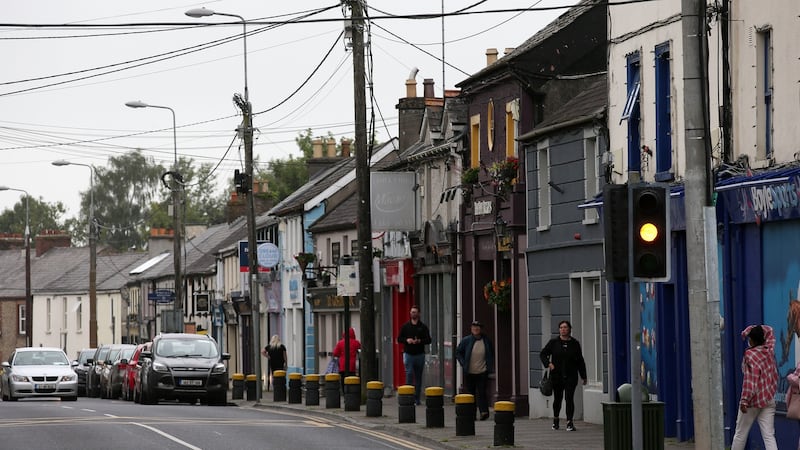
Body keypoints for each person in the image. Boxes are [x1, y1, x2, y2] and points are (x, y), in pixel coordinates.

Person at [731, 324, 778, 450]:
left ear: (752, 340)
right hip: (768, 398)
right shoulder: (769, 349)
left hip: (752, 402)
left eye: (749, 338)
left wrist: (744, 400)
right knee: (769, 435)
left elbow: (750, 381)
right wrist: (747, 332)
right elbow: (769, 329)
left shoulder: (750, 355)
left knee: (740, 434)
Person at [540, 320, 587, 431]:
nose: (563, 329)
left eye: (565, 327)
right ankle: (556, 420)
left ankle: (569, 422)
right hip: (557, 375)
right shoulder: (554, 342)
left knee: (569, 398)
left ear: (570, 329)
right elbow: (543, 354)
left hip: (571, 375)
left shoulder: (575, 344)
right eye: (561, 327)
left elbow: (580, 360)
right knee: (558, 398)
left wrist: (583, 376)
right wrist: (549, 364)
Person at [456, 320, 494, 420]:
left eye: (477, 328)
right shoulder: (466, 340)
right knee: (471, 393)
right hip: (470, 372)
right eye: (474, 328)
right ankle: (472, 414)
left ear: (480, 329)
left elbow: (491, 353)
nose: (476, 330)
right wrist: (463, 363)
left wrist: (490, 366)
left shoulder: (486, 341)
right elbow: (458, 352)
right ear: (471, 329)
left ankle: (484, 412)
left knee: (482, 392)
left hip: (482, 371)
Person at [397, 305, 432, 405]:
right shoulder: (405, 326)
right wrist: (407, 340)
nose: (413, 314)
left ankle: (417, 398)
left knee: (418, 377)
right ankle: (409, 396)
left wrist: (419, 341)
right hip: (408, 354)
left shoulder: (423, 327)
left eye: (415, 312)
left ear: (419, 314)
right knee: (409, 374)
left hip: (419, 354)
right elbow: (399, 338)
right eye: (412, 312)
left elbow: (429, 340)